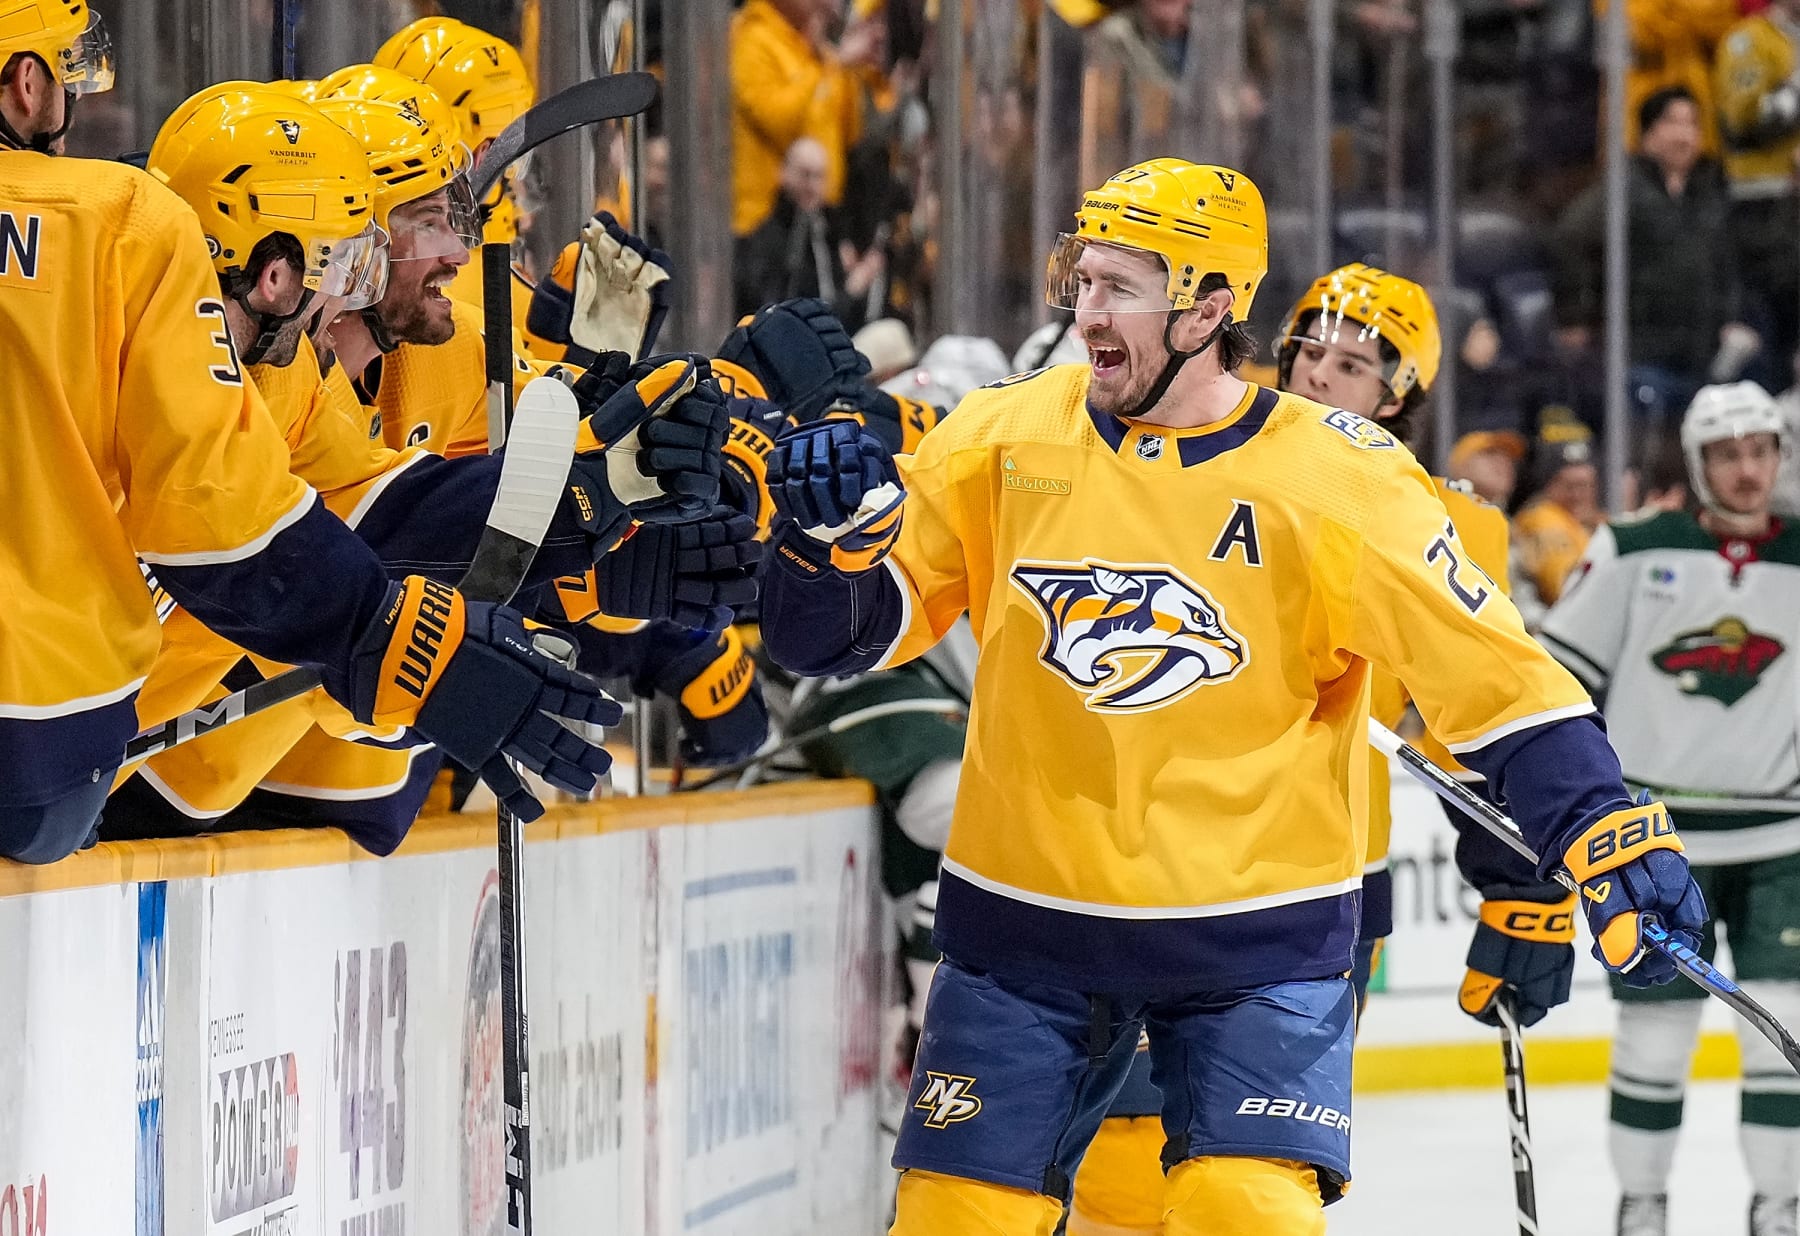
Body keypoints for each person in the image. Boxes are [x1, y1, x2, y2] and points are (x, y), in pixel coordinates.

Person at [753, 157, 1707, 1234]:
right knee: (956, 1219)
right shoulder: (1001, 436)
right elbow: (833, 638)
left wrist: (1599, 828)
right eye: (1082, 275)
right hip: (1023, 931)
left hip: (1254, 940)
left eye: (1121, 285)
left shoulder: (1345, 481)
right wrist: (815, 547)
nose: (1085, 309)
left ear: (1212, 307)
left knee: (1240, 1211)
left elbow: (1495, 684)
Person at [0, 2, 620, 861]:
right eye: (349, 254)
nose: (356, 290)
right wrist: (395, 642)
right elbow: (224, 526)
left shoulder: (290, 365)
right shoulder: (119, 225)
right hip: (46, 746)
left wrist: (605, 497)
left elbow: (373, 505)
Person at [1539, 382, 1800, 1236]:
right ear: (1696, 463)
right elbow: (1555, 675)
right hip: (1657, 840)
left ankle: (1777, 1209)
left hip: (1781, 838)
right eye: (1727, 454)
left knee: (1779, 1038)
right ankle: (1642, 1209)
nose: (1748, 469)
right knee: (1655, 1040)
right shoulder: (1632, 548)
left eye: (1760, 450)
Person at [1554, 86, 1752, 423]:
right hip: (1641, 353)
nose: (1685, 135)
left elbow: (1725, 262)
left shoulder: (1707, 190)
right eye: (1674, 122)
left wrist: (1730, 317)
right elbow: (1571, 235)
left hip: (1701, 353)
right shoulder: (1624, 187)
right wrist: (1576, 316)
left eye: (1693, 124)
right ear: (1648, 131)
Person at [730, 0, 879, 238]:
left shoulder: (818, 51)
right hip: (763, 224)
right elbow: (781, 123)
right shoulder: (752, 39)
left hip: (818, 218)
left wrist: (850, 70)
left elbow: (850, 134)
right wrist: (836, 63)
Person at [1715, 0, 1800, 372]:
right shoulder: (1748, 41)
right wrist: (1795, 92)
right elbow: (1741, 126)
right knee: (1776, 321)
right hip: (1764, 204)